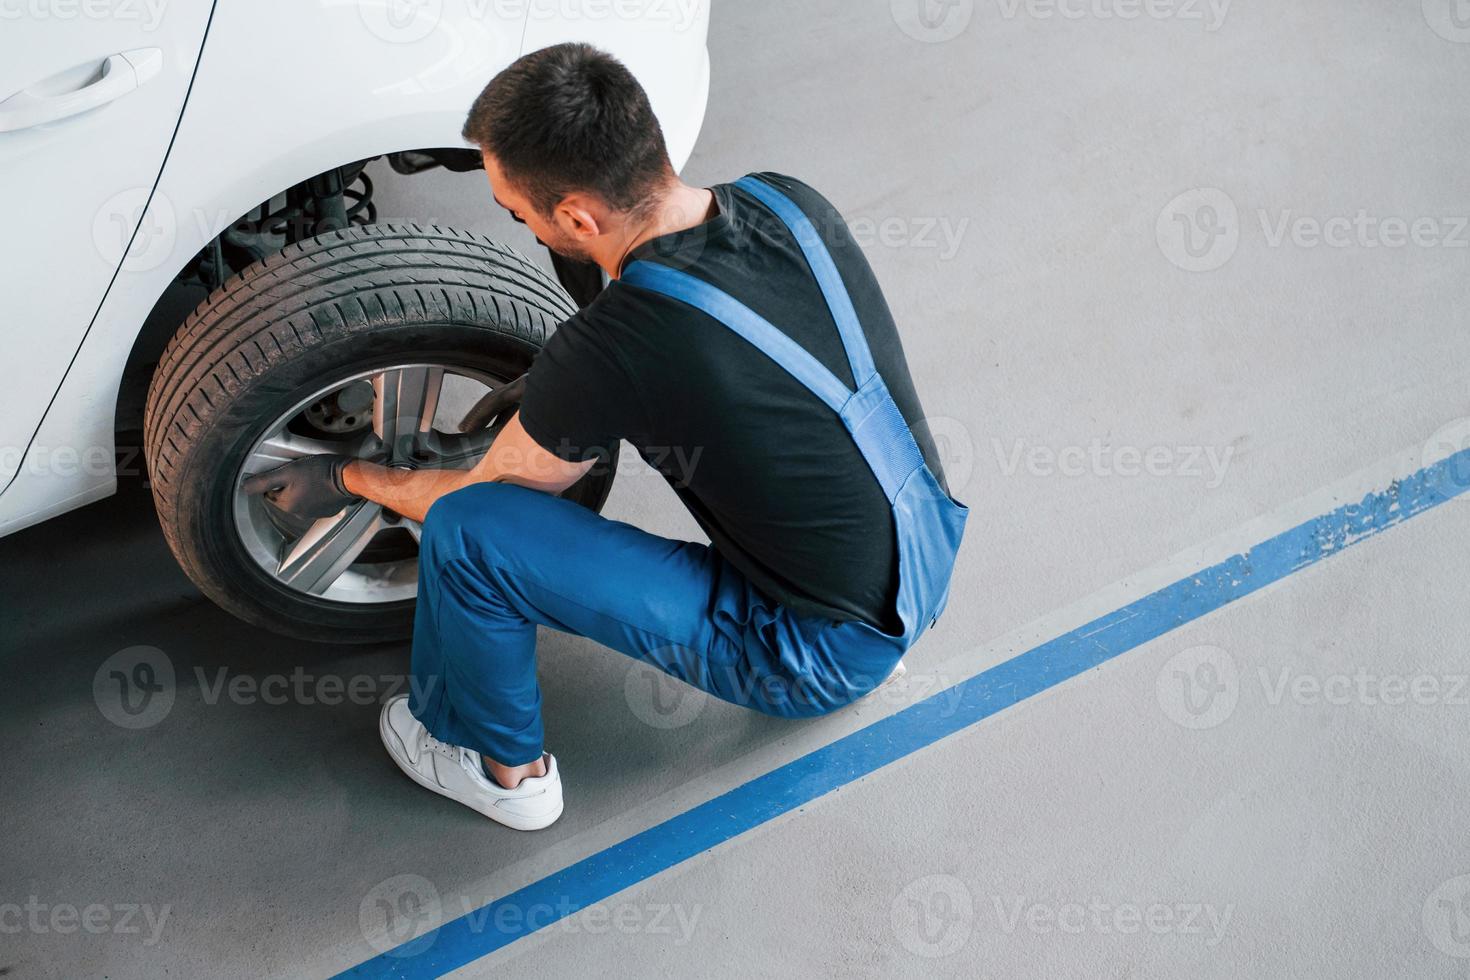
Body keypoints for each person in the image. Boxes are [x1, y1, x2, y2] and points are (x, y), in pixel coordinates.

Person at [243, 42, 966, 831]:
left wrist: (350, 479)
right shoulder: (786, 201)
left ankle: (497, 770)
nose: (513, 217)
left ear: (578, 214)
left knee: (468, 532)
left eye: (515, 209)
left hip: (816, 653)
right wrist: (561, 391)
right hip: (924, 551)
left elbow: (479, 494)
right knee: (595, 302)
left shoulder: (616, 350)